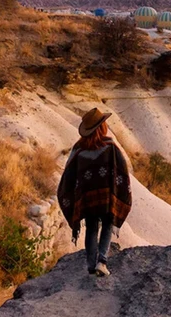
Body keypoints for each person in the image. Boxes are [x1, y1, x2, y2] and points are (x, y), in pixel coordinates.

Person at [58, 108, 132, 276]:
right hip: (106, 196)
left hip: (87, 199)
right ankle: (102, 261)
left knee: (91, 228)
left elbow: (69, 173)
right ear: (101, 127)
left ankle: (91, 266)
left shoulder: (79, 150)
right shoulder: (110, 147)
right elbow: (122, 170)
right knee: (107, 225)